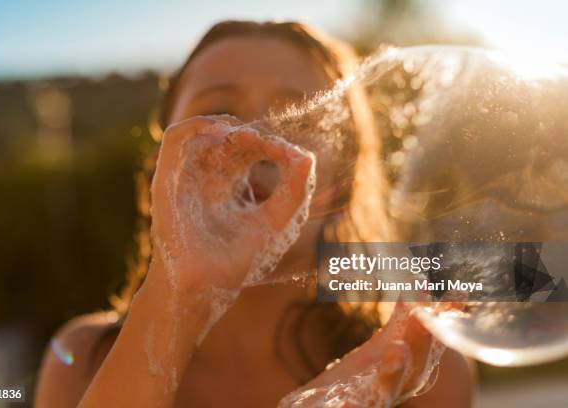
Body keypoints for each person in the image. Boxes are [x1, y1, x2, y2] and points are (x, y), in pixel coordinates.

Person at [35, 21, 474, 407]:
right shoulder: (81, 360)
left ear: (347, 173)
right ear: (161, 171)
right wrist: (177, 296)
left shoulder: (422, 369)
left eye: (301, 117)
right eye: (218, 111)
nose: (255, 134)